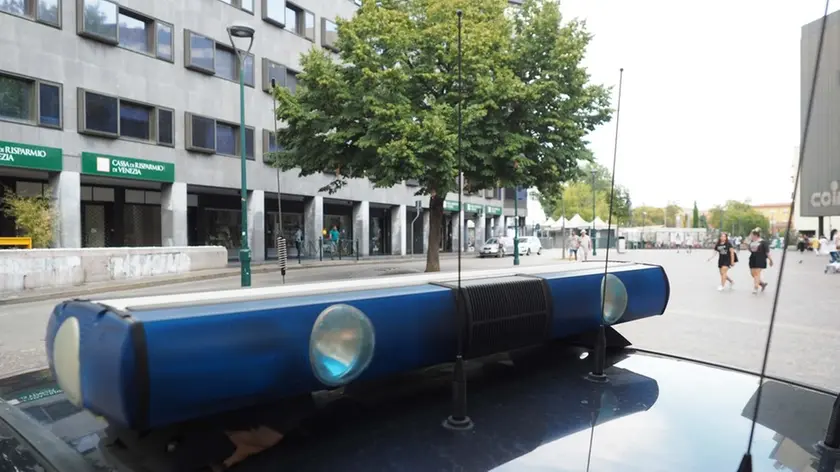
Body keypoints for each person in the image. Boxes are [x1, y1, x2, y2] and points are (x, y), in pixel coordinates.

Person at [747, 228, 773, 294]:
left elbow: (767, 252)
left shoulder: (763, 242)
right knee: (753, 273)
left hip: (760, 258)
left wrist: (770, 260)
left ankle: (755, 288)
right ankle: (762, 284)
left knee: (757, 273)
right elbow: (749, 249)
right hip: (752, 258)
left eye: (752, 235)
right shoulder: (751, 242)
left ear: (756, 235)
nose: (751, 236)